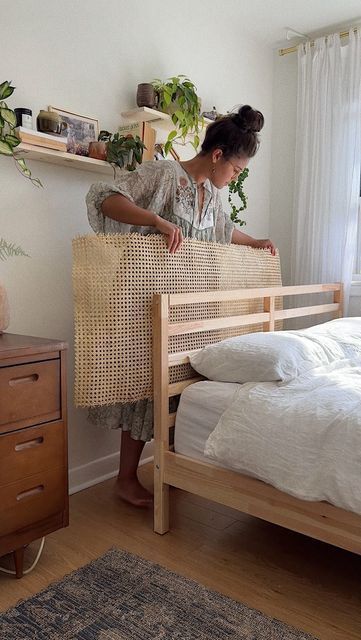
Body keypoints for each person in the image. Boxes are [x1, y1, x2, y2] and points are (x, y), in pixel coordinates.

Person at [86, 104, 276, 507]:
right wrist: (155, 220)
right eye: (237, 170)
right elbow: (104, 198)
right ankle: (124, 479)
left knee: (177, 387)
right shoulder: (164, 174)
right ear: (219, 155)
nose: (236, 177)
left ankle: (168, 470)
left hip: (186, 306)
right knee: (144, 387)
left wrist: (256, 241)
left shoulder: (211, 194)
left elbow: (224, 231)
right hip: (144, 301)